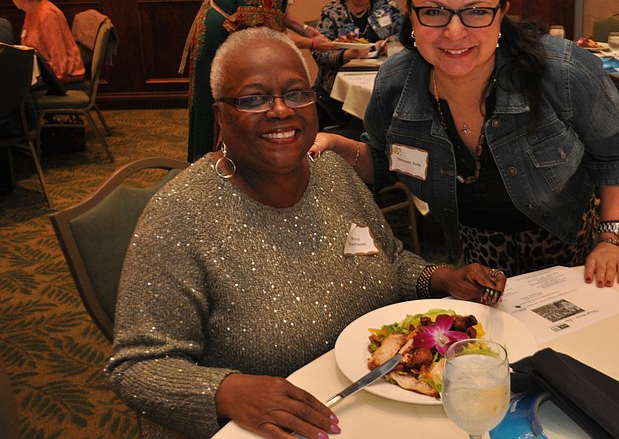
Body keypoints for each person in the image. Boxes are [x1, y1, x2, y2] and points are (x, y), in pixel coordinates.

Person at [106, 27, 506, 438]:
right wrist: (225, 390)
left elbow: (390, 260)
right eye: (253, 99)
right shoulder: (181, 215)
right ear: (220, 114)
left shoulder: (333, 173)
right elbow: (136, 367)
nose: (281, 110)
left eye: (297, 93)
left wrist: (442, 278)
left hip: (368, 402)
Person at [313, 0, 619, 287]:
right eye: (433, 11)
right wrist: (333, 145)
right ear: (411, 14)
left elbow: (618, 153)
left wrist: (613, 238)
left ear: (501, 13)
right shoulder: (396, 85)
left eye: (476, 12)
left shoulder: (560, 71)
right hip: (476, 265)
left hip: (572, 257)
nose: (455, 32)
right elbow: (385, 162)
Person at [182, 0, 334, 162]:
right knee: (215, 107)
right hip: (218, 37)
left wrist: (305, 29)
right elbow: (268, 42)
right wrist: (315, 44)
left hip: (221, 29)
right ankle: (212, 167)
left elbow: (276, 10)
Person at [312, 0, 403, 129]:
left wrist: (388, 44)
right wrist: (346, 55)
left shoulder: (385, 3)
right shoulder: (332, 10)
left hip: (383, 79)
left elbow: (405, 34)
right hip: (335, 90)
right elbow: (319, 53)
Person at [5, 0, 84, 83]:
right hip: (42, 69)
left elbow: (57, 52)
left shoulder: (47, 14)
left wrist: (54, 78)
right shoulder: (31, 11)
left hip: (63, 73)